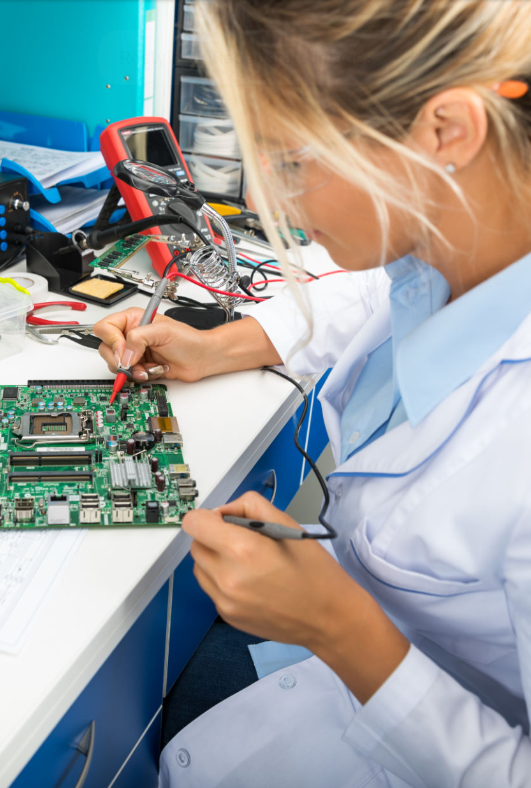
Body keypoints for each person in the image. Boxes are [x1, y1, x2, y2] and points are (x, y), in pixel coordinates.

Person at [93, 1, 531, 785]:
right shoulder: (458, 243)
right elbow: (366, 297)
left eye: (289, 163)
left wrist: (338, 626)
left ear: (445, 133)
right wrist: (214, 346)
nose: (269, 205)